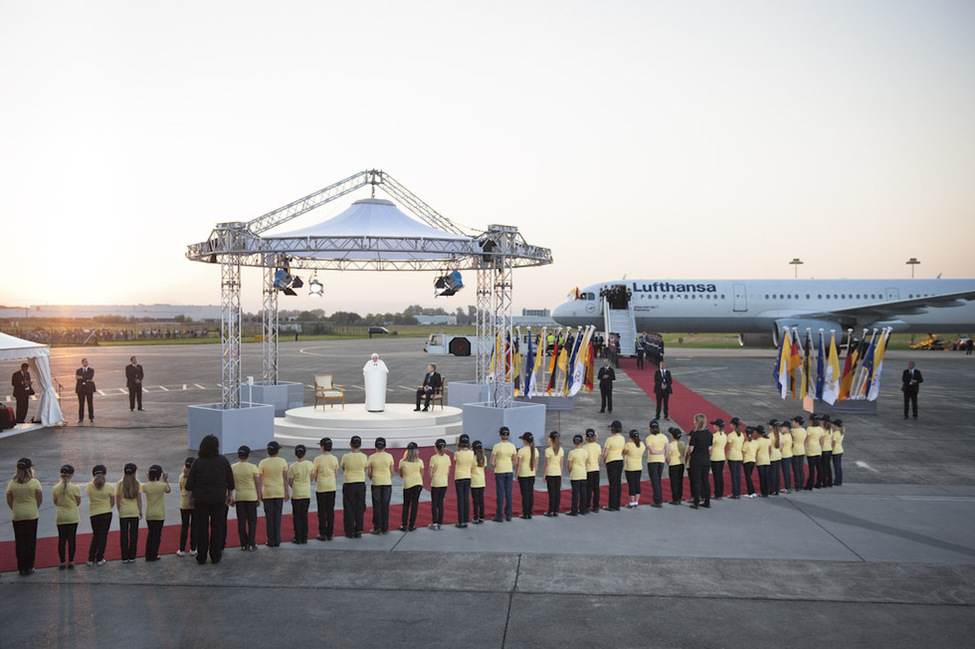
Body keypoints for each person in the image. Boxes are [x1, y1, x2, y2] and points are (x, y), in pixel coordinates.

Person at [185, 434, 235, 565]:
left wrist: (190, 499)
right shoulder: (223, 461)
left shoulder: (198, 462)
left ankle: (201, 556)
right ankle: (215, 555)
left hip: (201, 499)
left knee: (202, 528)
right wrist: (230, 495)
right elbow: (230, 480)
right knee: (217, 527)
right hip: (219, 499)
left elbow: (190, 484)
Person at [7, 457, 42, 575]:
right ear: (29, 469)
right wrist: (32, 508)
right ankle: (29, 566)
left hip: (17, 514)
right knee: (30, 541)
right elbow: (39, 499)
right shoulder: (35, 483)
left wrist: (17, 508)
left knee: (20, 541)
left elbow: (9, 501)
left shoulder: (12, 484)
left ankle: (21, 566)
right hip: (31, 514)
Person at [259, 440, 290, 547]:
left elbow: (259, 481)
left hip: (267, 492)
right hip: (279, 492)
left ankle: (270, 540)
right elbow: (285, 478)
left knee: (269, 518)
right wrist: (286, 491)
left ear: (268, 451)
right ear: (278, 452)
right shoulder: (283, 462)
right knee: (277, 517)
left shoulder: (263, 463)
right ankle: (277, 539)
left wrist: (259, 495)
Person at [52, 464, 81, 569]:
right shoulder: (75, 488)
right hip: (72, 516)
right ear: (72, 475)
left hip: (61, 516)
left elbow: (55, 502)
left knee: (62, 539)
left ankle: (62, 562)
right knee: (72, 539)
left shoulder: (55, 488)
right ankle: (71, 561)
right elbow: (78, 502)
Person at [232, 446, 260, 551]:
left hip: (239, 497)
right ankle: (252, 543)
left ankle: (243, 543)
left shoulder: (233, 467)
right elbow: (257, 483)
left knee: (241, 521)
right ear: (248, 455)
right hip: (251, 497)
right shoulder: (253, 467)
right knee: (252, 520)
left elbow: (231, 483)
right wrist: (259, 497)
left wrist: (231, 495)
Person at [86, 464, 114, 565]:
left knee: (96, 535)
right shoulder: (109, 487)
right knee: (103, 536)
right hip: (106, 512)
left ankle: (90, 558)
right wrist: (107, 508)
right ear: (105, 474)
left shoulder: (89, 486)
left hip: (94, 513)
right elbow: (112, 501)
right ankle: (100, 557)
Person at [141, 465, 170, 561]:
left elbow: (145, 488)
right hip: (159, 514)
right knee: (157, 535)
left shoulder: (145, 486)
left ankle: (148, 554)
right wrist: (165, 479)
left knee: (150, 534)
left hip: (149, 514)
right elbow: (168, 490)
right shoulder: (162, 485)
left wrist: (148, 479)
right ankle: (154, 554)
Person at [341, 435, 368, 538]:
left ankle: (349, 530)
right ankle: (358, 529)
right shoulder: (364, 456)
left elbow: (344, 468)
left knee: (349, 507)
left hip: (349, 483)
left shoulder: (345, 456)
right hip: (360, 483)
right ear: (360, 445)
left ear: (350, 445)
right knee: (360, 507)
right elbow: (364, 468)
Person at [312, 437, 338, 541]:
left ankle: (322, 533)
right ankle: (330, 533)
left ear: (322, 447)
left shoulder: (317, 459)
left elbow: (315, 475)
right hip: (331, 486)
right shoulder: (334, 459)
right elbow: (336, 474)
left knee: (322, 511)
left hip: (321, 487)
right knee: (330, 511)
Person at [366, 438, 394, 535]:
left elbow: (369, 472)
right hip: (386, 482)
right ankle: (385, 528)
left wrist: (373, 479)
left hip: (376, 482)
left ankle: (377, 527)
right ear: (385, 446)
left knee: (377, 506)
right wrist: (387, 478)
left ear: (375, 447)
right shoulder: (389, 456)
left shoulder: (372, 457)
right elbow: (392, 471)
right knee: (385, 506)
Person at [116, 463, 142, 564]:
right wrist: (140, 511)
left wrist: (120, 511)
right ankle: (132, 556)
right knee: (134, 535)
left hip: (124, 511)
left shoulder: (120, 484)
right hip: (134, 511)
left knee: (124, 535)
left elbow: (118, 500)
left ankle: (124, 557)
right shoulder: (137, 484)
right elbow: (139, 500)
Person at [685, 414, 713, 509]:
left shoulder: (695, 434)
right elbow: (710, 448)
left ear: (697, 422)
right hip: (706, 459)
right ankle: (707, 501)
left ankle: (696, 502)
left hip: (696, 460)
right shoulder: (709, 434)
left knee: (696, 481)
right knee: (705, 480)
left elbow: (691, 449)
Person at [490, 427, 516, 522]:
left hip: (500, 471)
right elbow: (515, 460)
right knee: (508, 493)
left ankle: (499, 515)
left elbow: (492, 461)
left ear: (499, 434)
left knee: (500, 494)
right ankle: (508, 515)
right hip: (509, 470)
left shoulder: (497, 446)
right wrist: (509, 465)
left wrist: (497, 465)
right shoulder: (512, 446)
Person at [289, 445, 313, 543]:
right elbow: (311, 478)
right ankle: (304, 536)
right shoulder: (310, 464)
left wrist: (295, 486)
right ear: (305, 453)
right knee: (304, 515)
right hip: (306, 493)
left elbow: (290, 481)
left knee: (297, 516)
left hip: (296, 493)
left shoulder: (293, 467)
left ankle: (298, 537)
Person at [398, 442, 424, 532]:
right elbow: (422, 474)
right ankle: (412, 525)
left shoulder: (402, 462)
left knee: (406, 505)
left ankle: (404, 525)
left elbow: (401, 474)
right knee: (415, 505)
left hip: (408, 484)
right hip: (418, 483)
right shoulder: (420, 461)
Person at [602, 420, 625, 511]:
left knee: (612, 483)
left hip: (611, 461)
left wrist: (605, 461)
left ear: (612, 429)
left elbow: (605, 453)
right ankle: (617, 504)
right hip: (620, 460)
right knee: (618, 483)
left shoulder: (609, 440)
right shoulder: (622, 438)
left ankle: (612, 505)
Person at [429, 438, 451, 529]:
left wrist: (433, 476)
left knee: (434, 503)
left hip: (436, 483)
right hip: (444, 482)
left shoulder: (433, 458)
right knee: (440, 503)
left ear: (436, 448)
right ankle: (440, 523)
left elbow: (430, 473)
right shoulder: (447, 457)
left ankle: (434, 523)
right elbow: (448, 472)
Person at [515, 433, 538, 519]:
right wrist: (534, 473)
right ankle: (530, 512)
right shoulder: (535, 450)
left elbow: (519, 465)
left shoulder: (521, 451)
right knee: (530, 493)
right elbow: (536, 464)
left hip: (523, 474)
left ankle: (525, 513)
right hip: (532, 474)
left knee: (525, 495)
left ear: (524, 441)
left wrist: (516, 475)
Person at [176, 458, 196, 557]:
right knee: (194, 526)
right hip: (194, 503)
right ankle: (193, 548)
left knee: (184, 526)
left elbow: (180, 488)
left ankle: (182, 548)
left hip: (184, 503)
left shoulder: (181, 477)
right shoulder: (196, 477)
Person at [645, 420, 668, 508]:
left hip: (652, 461)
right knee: (658, 479)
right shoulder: (664, 437)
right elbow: (667, 449)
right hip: (661, 461)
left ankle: (658, 501)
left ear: (650, 429)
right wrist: (664, 454)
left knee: (655, 482)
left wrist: (658, 452)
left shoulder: (649, 438)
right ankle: (658, 499)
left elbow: (652, 451)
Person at [454, 434, 475, 528]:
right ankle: (466, 519)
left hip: (459, 477)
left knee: (460, 499)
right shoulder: (471, 453)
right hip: (468, 476)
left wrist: (458, 448)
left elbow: (456, 460)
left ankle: (461, 520)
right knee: (466, 498)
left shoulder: (457, 453)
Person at [622, 429, 646, 509]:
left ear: (630, 437)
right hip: (638, 467)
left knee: (631, 485)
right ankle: (636, 502)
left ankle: (631, 503)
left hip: (630, 467)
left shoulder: (629, 445)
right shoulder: (642, 444)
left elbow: (624, 452)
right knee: (637, 484)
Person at [567, 434, 589, 515]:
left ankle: (574, 510)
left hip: (575, 474)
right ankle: (583, 509)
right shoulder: (585, 452)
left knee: (575, 494)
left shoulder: (572, 453)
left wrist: (570, 472)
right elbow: (586, 463)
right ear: (582, 442)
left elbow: (568, 465)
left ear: (573, 443)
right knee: (583, 493)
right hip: (583, 474)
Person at [543, 431, 564, 516]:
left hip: (550, 473)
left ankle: (550, 510)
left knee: (551, 493)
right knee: (557, 492)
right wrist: (561, 474)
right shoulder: (561, 450)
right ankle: (556, 510)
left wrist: (544, 475)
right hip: (558, 473)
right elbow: (561, 464)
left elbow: (546, 465)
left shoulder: (548, 450)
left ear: (550, 439)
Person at [666, 428, 686, 505]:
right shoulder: (682, 443)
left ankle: (675, 499)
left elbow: (667, 456)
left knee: (674, 482)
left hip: (673, 464)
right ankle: (679, 497)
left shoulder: (670, 445)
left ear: (672, 436)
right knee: (680, 481)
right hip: (681, 464)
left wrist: (668, 462)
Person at [726, 418, 745, 500]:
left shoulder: (731, 435)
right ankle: (738, 492)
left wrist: (727, 457)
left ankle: (734, 493)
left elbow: (729, 448)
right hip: (739, 456)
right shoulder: (741, 435)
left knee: (733, 475)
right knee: (738, 475)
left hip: (732, 456)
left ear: (733, 425)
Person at [804, 415, 824, 490]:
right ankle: (819, 483)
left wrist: (805, 448)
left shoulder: (810, 429)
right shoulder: (820, 429)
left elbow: (807, 440)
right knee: (819, 467)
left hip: (811, 448)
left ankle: (810, 484)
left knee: (812, 468)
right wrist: (821, 449)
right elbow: (822, 440)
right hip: (818, 448)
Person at [709, 419, 727, 500]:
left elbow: (711, 447)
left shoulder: (714, 436)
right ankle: (720, 493)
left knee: (716, 476)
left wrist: (709, 455)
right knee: (720, 476)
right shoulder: (724, 435)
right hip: (722, 456)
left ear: (717, 427)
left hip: (715, 457)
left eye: (714, 425)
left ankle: (717, 493)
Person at [584, 429, 601, 513]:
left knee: (588, 489)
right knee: (596, 488)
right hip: (596, 469)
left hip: (588, 469)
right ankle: (596, 506)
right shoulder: (597, 446)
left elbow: (585, 460)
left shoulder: (585, 448)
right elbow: (599, 459)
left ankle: (587, 506)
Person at [75, 358, 95, 425]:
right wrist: (87, 380)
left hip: (89, 389)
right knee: (81, 404)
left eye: (87, 362)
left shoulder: (91, 370)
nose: (86, 363)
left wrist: (83, 378)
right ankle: (81, 418)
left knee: (90, 403)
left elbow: (90, 376)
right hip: (81, 389)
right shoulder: (78, 370)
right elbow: (78, 378)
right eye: (85, 362)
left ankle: (91, 417)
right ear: (82, 363)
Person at [471, 440, 487, 524]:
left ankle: (475, 517)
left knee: (475, 501)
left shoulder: (472, 458)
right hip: (482, 481)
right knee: (481, 500)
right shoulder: (484, 457)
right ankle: (481, 516)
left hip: (474, 481)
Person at [790, 416, 807, 490]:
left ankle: (797, 484)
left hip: (795, 451)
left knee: (796, 469)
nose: (792, 423)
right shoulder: (804, 430)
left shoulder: (793, 431)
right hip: (802, 450)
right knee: (801, 469)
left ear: (797, 423)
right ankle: (801, 484)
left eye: (793, 421)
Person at [754, 426, 771, 498]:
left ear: (757, 433)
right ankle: (767, 491)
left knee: (762, 477)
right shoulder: (768, 440)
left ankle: (763, 491)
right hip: (767, 460)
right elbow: (770, 450)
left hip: (760, 461)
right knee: (766, 477)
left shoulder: (757, 441)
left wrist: (755, 461)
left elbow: (756, 452)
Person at [777, 421, 793, 494]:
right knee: (787, 472)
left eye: (782, 427)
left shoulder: (784, 437)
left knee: (786, 472)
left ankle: (787, 487)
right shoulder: (789, 435)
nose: (781, 428)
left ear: (786, 428)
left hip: (784, 455)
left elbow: (780, 447)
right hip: (789, 454)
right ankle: (788, 487)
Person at [741, 428, 758, 498]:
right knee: (749, 477)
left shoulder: (746, 443)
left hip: (747, 461)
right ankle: (753, 491)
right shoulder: (755, 442)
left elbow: (743, 452)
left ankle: (750, 492)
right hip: (753, 460)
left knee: (748, 477)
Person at [768, 421, 781, 496]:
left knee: (772, 474)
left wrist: (769, 456)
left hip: (772, 456)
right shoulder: (779, 434)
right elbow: (781, 446)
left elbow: (769, 448)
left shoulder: (770, 435)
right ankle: (777, 489)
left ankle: (771, 489)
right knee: (777, 474)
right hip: (778, 455)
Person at [820, 415, 834, 488]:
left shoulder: (823, 430)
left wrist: (820, 450)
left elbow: (821, 441)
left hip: (824, 449)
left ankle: (824, 482)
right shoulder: (830, 430)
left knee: (823, 467)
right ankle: (830, 481)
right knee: (828, 466)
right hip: (829, 449)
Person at [830, 419, 845, 486]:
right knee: (839, 466)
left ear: (836, 426)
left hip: (835, 451)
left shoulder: (835, 433)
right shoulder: (841, 432)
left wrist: (831, 451)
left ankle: (836, 481)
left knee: (836, 467)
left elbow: (833, 444)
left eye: (833, 424)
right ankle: (839, 480)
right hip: (840, 450)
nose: (832, 425)